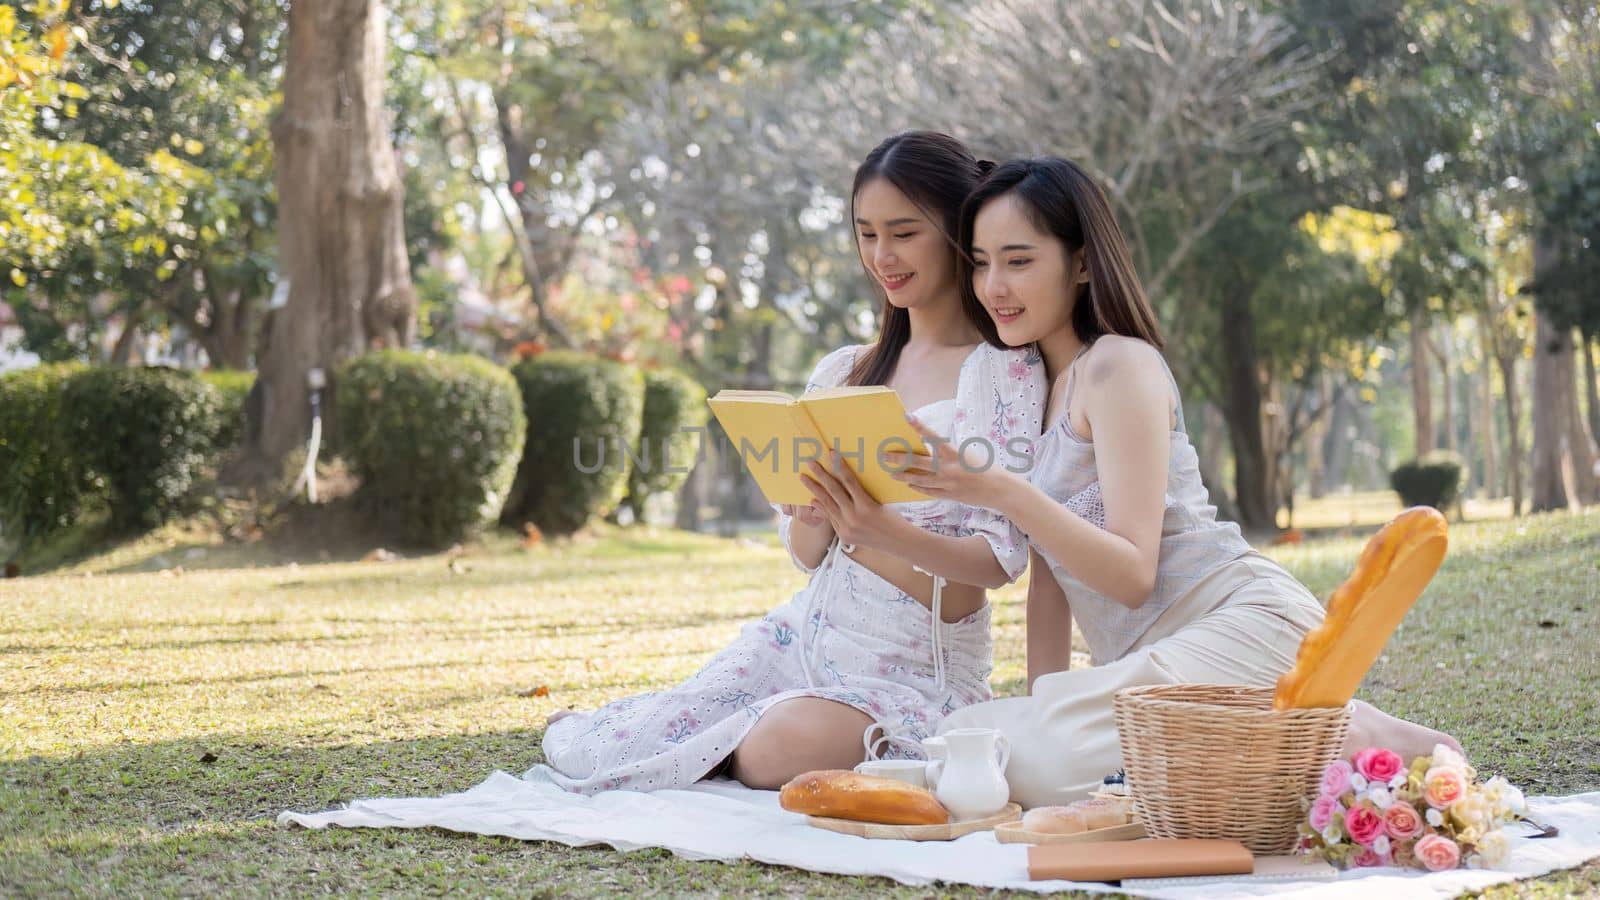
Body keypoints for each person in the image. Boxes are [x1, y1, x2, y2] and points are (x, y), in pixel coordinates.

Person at [887, 157, 1458, 808]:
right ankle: (1289, 735)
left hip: (1243, 622)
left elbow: (1132, 573)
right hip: (1155, 671)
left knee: (1031, 764)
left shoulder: (1118, 366)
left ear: (1080, 262)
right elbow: (1051, 573)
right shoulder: (1022, 389)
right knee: (972, 740)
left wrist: (995, 488)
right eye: (982, 263)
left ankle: (1353, 731)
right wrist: (1041, 703)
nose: (994, 286)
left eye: (1018, 261)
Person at [531, 132, 1046, 794]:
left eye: (904, 233)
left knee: (774, 752)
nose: (882, 256)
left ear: (955, 230)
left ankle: (752, 734)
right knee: (615, 744)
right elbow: (808, 555)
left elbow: (999, 562)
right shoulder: (845, 369)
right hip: (803, 638)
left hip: (915, 674)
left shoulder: (1001, 374)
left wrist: (881, 530)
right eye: (866, 234)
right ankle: (730, 727)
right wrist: (814, 512)